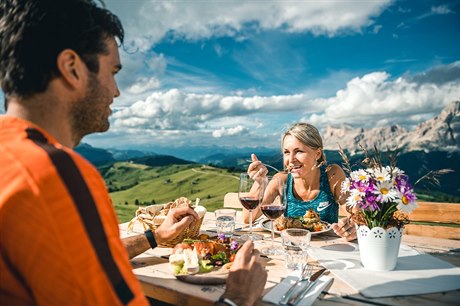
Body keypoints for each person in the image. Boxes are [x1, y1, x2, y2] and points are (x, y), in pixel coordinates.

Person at [0, 1, 266, 306]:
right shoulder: (52, 174)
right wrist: (236, 299)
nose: (116, 91)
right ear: (72, 68)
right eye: (112, 72)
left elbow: (87, 255)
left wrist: (156, 237)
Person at [244, 122, 357, 241]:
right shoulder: (281, 180)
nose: (291, 160)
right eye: (286, 152)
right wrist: (259, 182)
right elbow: (248, 218)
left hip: (327, 248)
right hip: (291, 248)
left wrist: (351, 226)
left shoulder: (332, 175)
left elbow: (355, 214)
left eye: (299, 151)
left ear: (317, 154)